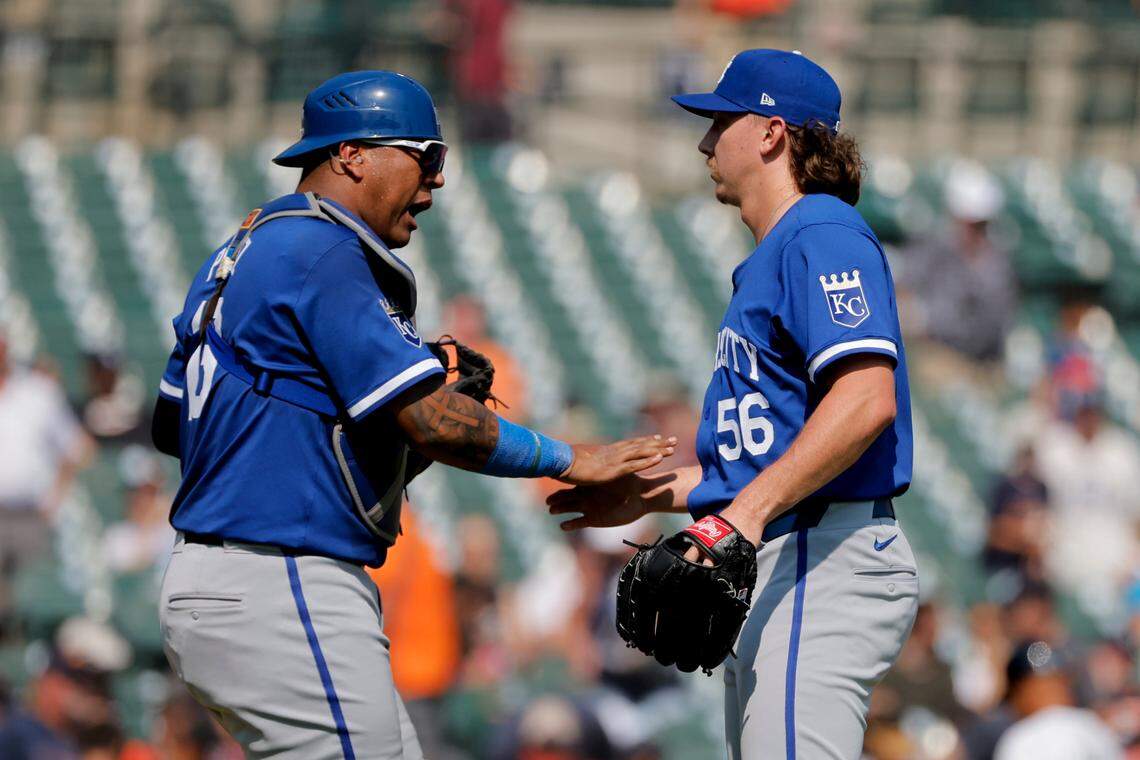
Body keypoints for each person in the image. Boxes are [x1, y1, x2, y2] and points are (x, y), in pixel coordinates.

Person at [150, 70, 674, 759]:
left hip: (226, 581)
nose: (437, 182)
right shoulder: (320, 248)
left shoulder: (245, 248)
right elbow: (431, 420)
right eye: (425, 157)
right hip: (280, 580)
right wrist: (575, 458)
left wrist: (374, 430)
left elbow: (172, 427)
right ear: (353, 155)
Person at [548, 49, 918, 758]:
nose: (705, 141)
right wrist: (658, 492)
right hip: (781, 550)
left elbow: (868, 399)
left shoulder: (821, 230)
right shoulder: (774, 255)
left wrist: (738, 520)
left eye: (722, 121)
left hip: (820, 550)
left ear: (773, 133)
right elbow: (765, 457)